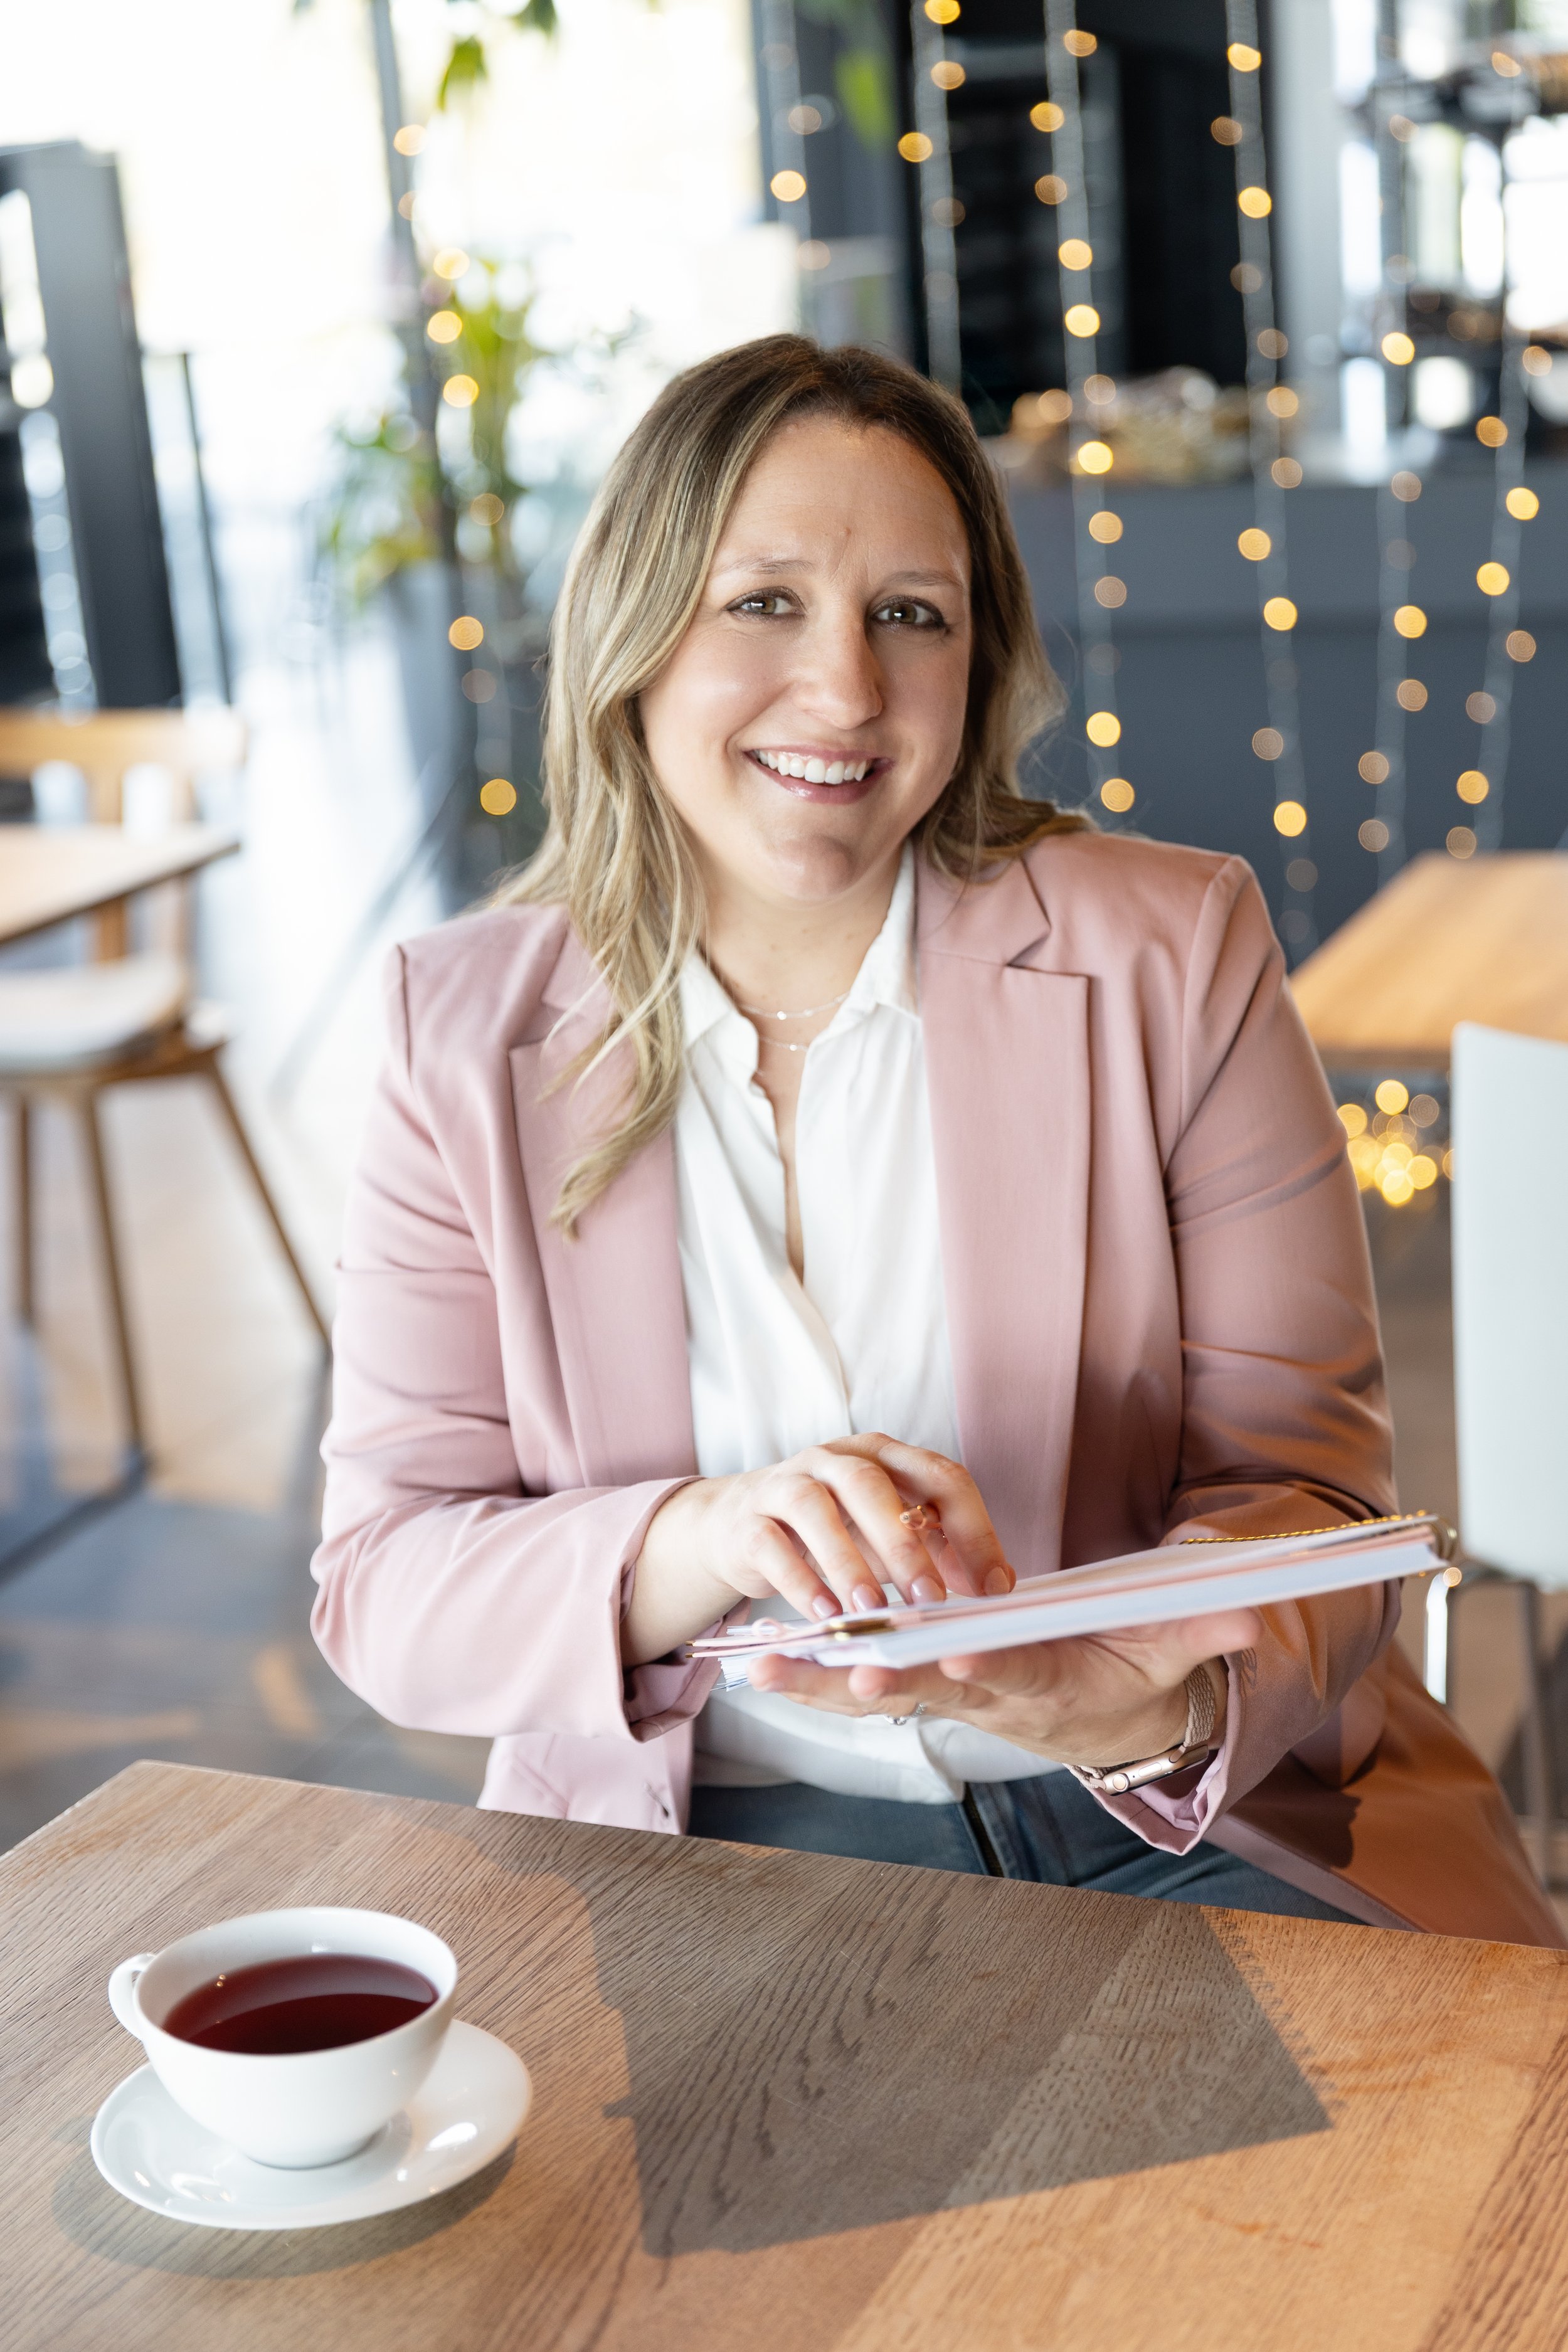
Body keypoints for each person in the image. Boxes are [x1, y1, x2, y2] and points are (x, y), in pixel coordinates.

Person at [312, 334, 1557, 1943]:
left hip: (1176, 1820)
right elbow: (387, 1577)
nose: (843, 690)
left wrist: (1122, 1706)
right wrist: (692, 1538)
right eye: (762, 600)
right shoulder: (459, 1029)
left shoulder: (1168, 950)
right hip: (722, 1850)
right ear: (633, 633)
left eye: (910, 615)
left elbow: (1311, 1504)